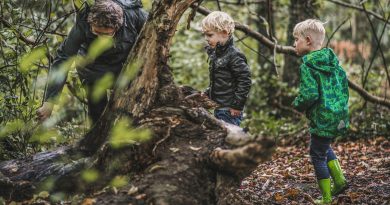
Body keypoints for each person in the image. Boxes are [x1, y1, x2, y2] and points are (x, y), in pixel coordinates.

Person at [36, 0, 147, 124]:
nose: (100, 38)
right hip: (92, 69)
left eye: (106, 34)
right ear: (90, 22)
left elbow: (155, 35)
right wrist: (49, 102)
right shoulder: (84, 21)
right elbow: (64, 58)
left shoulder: (135, 15)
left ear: (118, 27)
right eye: (96, 32)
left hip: (122, 67)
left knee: (129, 110)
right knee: (97, 114)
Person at [292, 19, 349, 204]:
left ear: (308, 40)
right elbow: (344, 88)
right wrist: (339, 109)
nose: (294, 44)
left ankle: (325, 198)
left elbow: (309, 94)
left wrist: (297, 104)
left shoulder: (308, 65)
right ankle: (339, 180)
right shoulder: (333, 62)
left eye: (296, 40)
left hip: (321, 116)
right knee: (323, 146)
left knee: (317, 154)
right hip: (337, 114)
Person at [200, 11, 251, 126]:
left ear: (224, 32)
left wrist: (237, 106)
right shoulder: (217, 55)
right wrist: (207, 93)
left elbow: (245, 81)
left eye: (209, 35)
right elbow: (220, 81)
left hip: (229, 110)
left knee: (228, 138)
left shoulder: (234, 55)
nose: (206, 38)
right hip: (219, 107)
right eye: (205, 35)